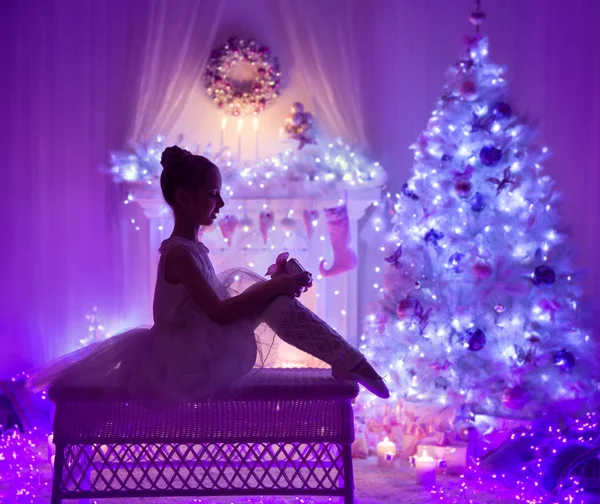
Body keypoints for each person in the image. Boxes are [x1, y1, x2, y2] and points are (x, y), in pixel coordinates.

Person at [28, 146, 389, 405]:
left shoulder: (190, 249)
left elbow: (218, 309)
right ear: (184, 197)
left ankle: (346, 358)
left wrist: (275, 283)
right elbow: (218, 312)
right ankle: (348, 359)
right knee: (272, 297)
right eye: (213, 194)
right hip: (181, 357)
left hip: (200, 343)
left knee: (274, 298)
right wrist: (272, 288)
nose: (221, 204)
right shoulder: (179, 254)